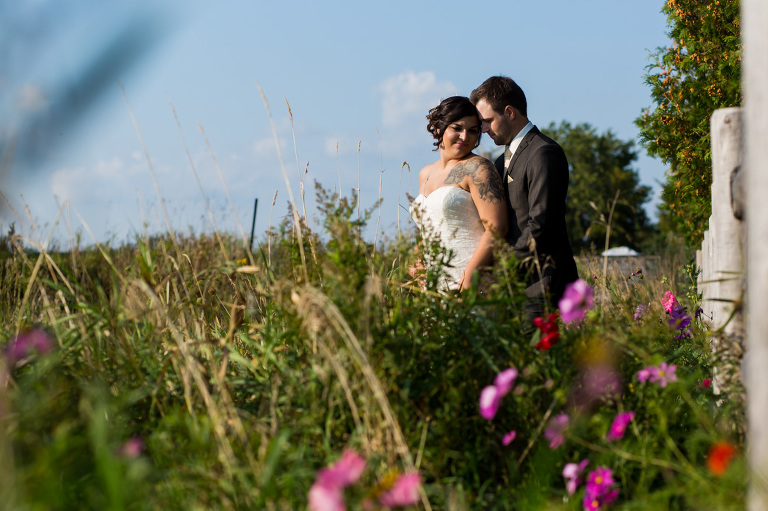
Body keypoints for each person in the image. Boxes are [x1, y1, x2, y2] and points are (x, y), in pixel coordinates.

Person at [470, 76, 578, 316]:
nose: (484, 130)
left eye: (487, 121)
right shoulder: (500, 162)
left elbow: (541, 225)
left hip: (543, 288)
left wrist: (503, 271)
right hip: (514, 292)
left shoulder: (543, 152)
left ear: (509, 112)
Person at [409, 96, 508, 291]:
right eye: (457, 128)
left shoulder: (478, 168)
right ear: (439, 128)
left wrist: (470, 276)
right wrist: (417, 263)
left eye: (472, 131)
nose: (465, 136)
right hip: (431, 284)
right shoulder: (425, 173)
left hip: (468, 282)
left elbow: (497, 228)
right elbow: (427, 227)